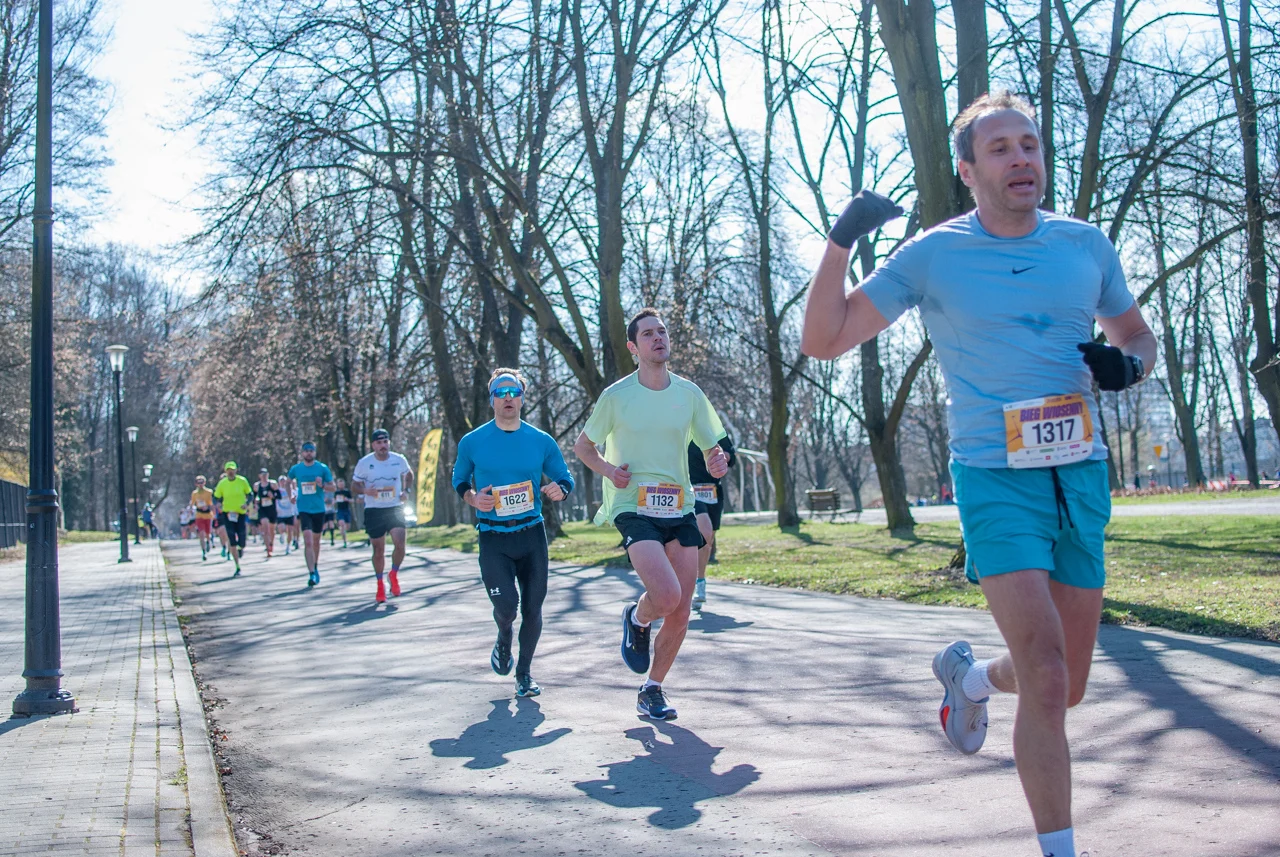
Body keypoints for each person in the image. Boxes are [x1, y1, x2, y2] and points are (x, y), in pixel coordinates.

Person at [799, 92, 1158, 857]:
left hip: (1081, 475)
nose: (1021, 157)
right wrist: (839, 243)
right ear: (967, 170)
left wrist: (1128, 365)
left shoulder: (1085, 245)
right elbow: (824, 339)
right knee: (1048, 676)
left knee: (1067, 681)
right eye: (1000, 148)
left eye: (1030, 144)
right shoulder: (935, 254)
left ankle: (970, 679)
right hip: (995, 478)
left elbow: (1136, 333)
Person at [572, 309, 730, 721]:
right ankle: (637, 617)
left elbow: (713, 448)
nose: (658, 338)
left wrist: (717, 461)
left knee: (681, 609)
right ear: (633, 346)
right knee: (666, 596)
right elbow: (583, 447)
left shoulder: (689, 393)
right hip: (632, 505)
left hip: (679, 505)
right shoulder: (616, 396)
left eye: (662, 331)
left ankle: (652, 688)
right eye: (648, 334)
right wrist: (610, 470)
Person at [453, 368, 575, 698]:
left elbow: (564, 477)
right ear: (492, 400)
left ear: (522, 399)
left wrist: (561, 490)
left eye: (514, 392)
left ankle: (524, 674)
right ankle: (504, 633)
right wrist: (472, 498)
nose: (508, 398)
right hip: (493, 537)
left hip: (531, 535)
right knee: (507, 607)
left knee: (533, 609)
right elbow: (459, 479)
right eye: (500, 393)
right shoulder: (472, 441)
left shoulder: (541, 440)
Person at [352, 429, 414, 603]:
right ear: (373, 445)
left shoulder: (398, 459)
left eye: (385, 442)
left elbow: (409, 474)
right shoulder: (364, 463)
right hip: (374, 510)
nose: (383, 446)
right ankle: (380, 584)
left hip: (394, 507)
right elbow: (354, 485)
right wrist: (365, 491)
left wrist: (406, 491)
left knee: (400, 544)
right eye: (379, 443)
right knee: (378, 550)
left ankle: (393, 573)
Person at [688, 432, 735, 611]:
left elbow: (731, 457)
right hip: (690, 490)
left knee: (708, 542)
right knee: (705, 531)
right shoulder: (682, 428)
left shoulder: (714, 430)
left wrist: (723, 456)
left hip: (713, 492)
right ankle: (689, 583)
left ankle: (700, 581)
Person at [288, 442, 334, 588]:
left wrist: (322, 485)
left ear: (314, 452)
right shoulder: (296, 469)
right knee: (307, 541)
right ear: (302, 453)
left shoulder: (322, 468)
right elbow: (288, 481)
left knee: (315, 541)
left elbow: (333, 487)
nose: (309, 453)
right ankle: (311, 573)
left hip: (318, 509)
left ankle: (315, 565)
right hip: (304, 508)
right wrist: (291, 495)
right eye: (306, 451)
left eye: (311, 451)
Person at [213, 462, 255, 577]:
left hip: (240, 513)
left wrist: (247, 504)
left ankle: (241, 547)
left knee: (242, 537)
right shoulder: (222, 483)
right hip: (228, 513)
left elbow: (250, 494)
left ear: (236, 470)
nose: (230, 472)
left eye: (232, 470)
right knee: (231, 538)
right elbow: (215, 497)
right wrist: (217, 504)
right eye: (228, 470)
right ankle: (237, 566)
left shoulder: (242, 481)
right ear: (226, 471)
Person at [253, 468, 281, 557]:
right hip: (262, 509)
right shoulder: (256, 486)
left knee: (271, 530)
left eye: (266, 474)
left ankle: (271, 544)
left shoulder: (273, 484)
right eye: (262, 474)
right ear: (259, 476)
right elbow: (254, 497)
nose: (264, 476)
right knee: (265, 528)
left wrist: (273, 496)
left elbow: (279, 496)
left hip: (271, 509)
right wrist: (255, 503)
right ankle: (267, 549)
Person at [191, 476, 215, 561]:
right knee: (201, 533)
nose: (200, 484)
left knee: (208, 533)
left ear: (204, 483)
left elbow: (212, 503)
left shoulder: (209, 492)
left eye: (202, 482)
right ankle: (203, 552)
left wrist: (209, 507)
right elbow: (192, 503)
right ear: (196, 484)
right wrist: (191, 509)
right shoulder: (194, 493)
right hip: (199, 515)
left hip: (208, 515)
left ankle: (208, 541)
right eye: (199, 483)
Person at [275, 475, 297, 556]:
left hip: (290, 513)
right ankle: (281, 535)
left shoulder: (291, 491)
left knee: (290, 531)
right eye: (281, 481)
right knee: (282, 528)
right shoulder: (277, 491)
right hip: (280, 513)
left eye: (284, 481)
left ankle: (288, 546)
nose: (283, 482)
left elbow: (295, 500)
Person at [334, 478, 354, 548]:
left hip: (346, 510)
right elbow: (333, 500)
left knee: (347, 527)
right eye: (339, 484)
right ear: (337, 485)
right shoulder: (336, 492)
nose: (341, 485)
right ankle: (344, 541)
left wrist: (347, 499)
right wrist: (334, 501)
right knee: (342, 524)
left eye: (342, 484)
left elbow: (352, 500)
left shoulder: (347, 492)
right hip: (340, 510)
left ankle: (342, 531)